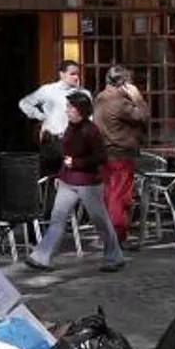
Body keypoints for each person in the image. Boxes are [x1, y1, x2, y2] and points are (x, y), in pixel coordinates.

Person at [26, 91, 125, 273]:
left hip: (88, 183)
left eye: (70, 108)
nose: (67, 111)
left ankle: (114, 256)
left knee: (100, 220)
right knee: (57, 219)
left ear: (80, 110)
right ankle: (42, 257)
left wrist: (77, 162)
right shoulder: (70, 127)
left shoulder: (91, 130)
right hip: (68, 180)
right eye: (67, 107)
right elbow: (66, 152)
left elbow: (100, 157)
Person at [94, 65, 149, 244]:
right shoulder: (120, 102)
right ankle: (116, 238)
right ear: (124, 83)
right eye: (130, 82)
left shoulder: (100, 97)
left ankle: (109, 236)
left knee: (109, 195)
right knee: (119, 197)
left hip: (104, 154)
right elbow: (143, 116)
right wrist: (138, 98)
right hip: (120, 154)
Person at [20, 60, 84, 176]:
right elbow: (25, 103)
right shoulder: (48, 90)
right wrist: (41, 116)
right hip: (52, 141)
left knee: (72, 177)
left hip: (74, 141)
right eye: (72, 74)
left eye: (78, 74)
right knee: (49, 177)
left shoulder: (83, 93)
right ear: (62, 74)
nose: (76, 77)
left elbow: (89, 117)